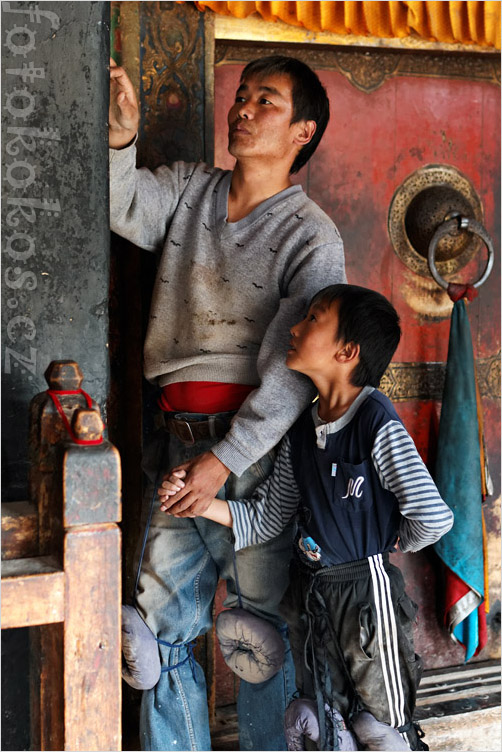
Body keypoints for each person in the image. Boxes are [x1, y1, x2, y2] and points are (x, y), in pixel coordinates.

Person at [109, 54, 346, 751]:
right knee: (154, 635)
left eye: (265, 101)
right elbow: (125, 206)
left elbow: (296, 371)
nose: (242, 109)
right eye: (241, 96)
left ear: (302, 131)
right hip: (177, 442)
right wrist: (121, 138)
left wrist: (225, 457)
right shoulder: (189, 191)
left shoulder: (311, 236)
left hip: (257, 458)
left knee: (260, 635)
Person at [161, 284, 454, 751]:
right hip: (312, 595)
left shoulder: (375, 420)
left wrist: (381, 545)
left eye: (313, 319)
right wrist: (198, 501)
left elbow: (433, 518)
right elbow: (267, 518)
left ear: (347, 351)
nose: (294, 329)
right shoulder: (302, 428)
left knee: (383, 725)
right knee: (328, 724)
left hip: (364, 596)